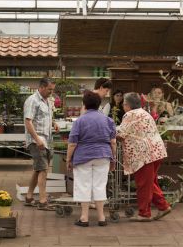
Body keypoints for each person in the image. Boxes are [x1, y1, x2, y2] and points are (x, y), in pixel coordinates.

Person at [117, 92, 171, 221]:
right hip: (156, 151)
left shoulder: (130, 115)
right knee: (150, 182)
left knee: (144, 183)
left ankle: (144, 213)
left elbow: (121, 133)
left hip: (143, 154)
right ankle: (163, 206)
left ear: (127, 105)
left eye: (124, 103)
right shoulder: (144, 113)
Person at [66, 91, 116, 227]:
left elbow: (72, 143)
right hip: (103, 155)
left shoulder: (80, 121)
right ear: (99, 104)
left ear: (84, 104)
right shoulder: (108, 120)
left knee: (84, 185)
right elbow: (113, 142)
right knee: (100, 185)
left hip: (83, 157)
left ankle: (84, 217)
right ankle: (101, 217)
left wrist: (68, 159)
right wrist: (113, 159)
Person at [23, 78, 59, 210]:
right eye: (50, 89)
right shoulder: (32, 100)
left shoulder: (47, 100)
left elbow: (45, 117)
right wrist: (37, 139)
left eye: (52, 89)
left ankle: (29, 197)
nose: (51, 92)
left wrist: (53, 123)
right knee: (43, 169)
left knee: (39, 168)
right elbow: (28, 122)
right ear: (42, 87)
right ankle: (43, 201)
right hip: (37, 140)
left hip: (47, 140)